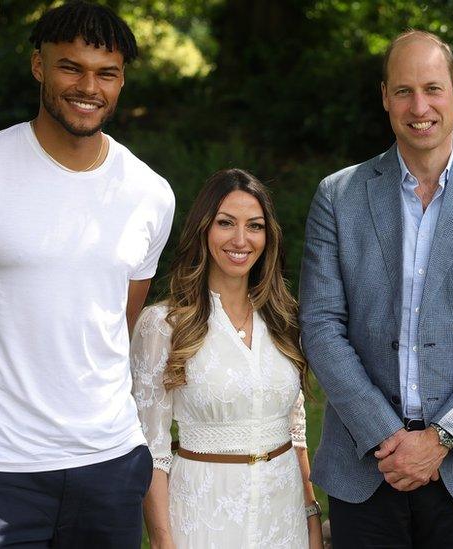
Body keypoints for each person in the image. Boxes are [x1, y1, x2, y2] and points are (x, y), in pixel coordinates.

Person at [298, 29, 453, 547]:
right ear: (385, 98)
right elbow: (320, 325)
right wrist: (387, 437)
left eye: (431, 88)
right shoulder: (338, 196)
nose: (419, 105)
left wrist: (440, 439)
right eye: (403, 91)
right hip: (367, 465)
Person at [0, 2, 174, 546]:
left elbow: (117, 325)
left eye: (107, 73)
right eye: (70, 67)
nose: (88, 86)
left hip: (110, 464)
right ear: (38, 67)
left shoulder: (150, 194)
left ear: (122, 82)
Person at [131, 168, 323, 549]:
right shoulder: (163, 325)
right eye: (225, 223)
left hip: (283, 517)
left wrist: (312, 518)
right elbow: (150, 451)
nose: (240, 239)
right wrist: (163, 541)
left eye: (254, 226)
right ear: (203, 230)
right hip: (203, 516)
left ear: (268, 237)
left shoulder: (285, 319)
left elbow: (296, 431)